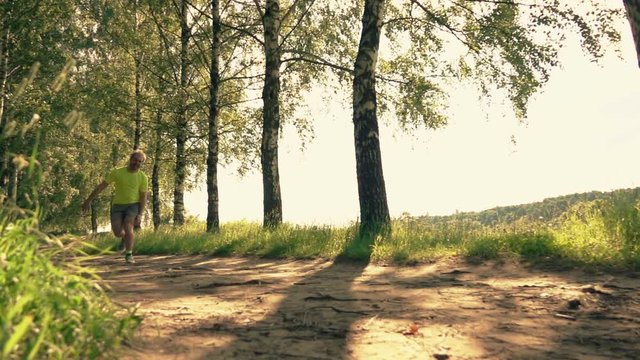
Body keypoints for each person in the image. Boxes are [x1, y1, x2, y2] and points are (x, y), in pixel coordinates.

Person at [82, 150, 148, 264]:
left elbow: (143, 197)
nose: (136, 163)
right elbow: (101, 187)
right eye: (135, 160)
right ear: (130, 159)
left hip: (133, 205)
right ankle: (124, 238)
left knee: (128, 225)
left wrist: (140, 214)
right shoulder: (117, 173)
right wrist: (88, 200)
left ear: (142, 163)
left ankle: (129, 254)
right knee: (117, 232)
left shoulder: (143, 177)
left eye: (140, 161)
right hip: (117, 205)